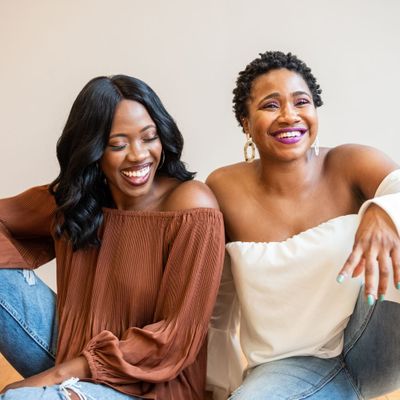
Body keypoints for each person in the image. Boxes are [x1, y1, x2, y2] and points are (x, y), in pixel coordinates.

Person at [0, 75, 225, 400]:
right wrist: (60, 372)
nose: (138, 155)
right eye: (118, 144)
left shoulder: (191, 206)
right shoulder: (78, 201)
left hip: (152, 386)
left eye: (149, 138)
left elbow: (174, 341)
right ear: (92, 150)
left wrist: (55, 377)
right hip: (72, 354)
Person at [206, 51, 400, 400]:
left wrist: (383, 211)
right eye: (270, 105)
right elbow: (219, 301)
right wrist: (217, 387)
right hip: (287, 367)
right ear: (245, 122)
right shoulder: (222, 188)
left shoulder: (351, 162)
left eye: (301, 102)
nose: (289, 116)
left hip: (377, 341)